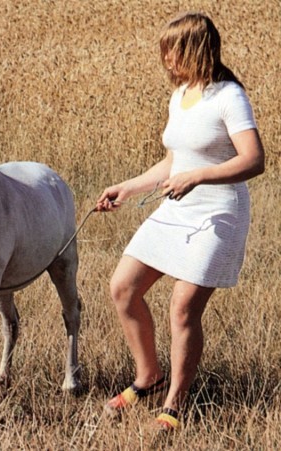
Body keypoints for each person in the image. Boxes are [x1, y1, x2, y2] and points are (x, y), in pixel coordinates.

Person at [96, 11, 265, 431]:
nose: (166, 60)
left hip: (218, 213)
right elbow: (174, 161)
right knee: (123, 288)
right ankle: (148, 377)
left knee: (183, 305)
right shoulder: (180, 96)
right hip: (177, 208)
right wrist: (129, 188)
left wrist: (198, 175)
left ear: (193, 49)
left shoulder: (228, 96)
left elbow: (254, 160)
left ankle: (174, 404)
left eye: (172, 52)